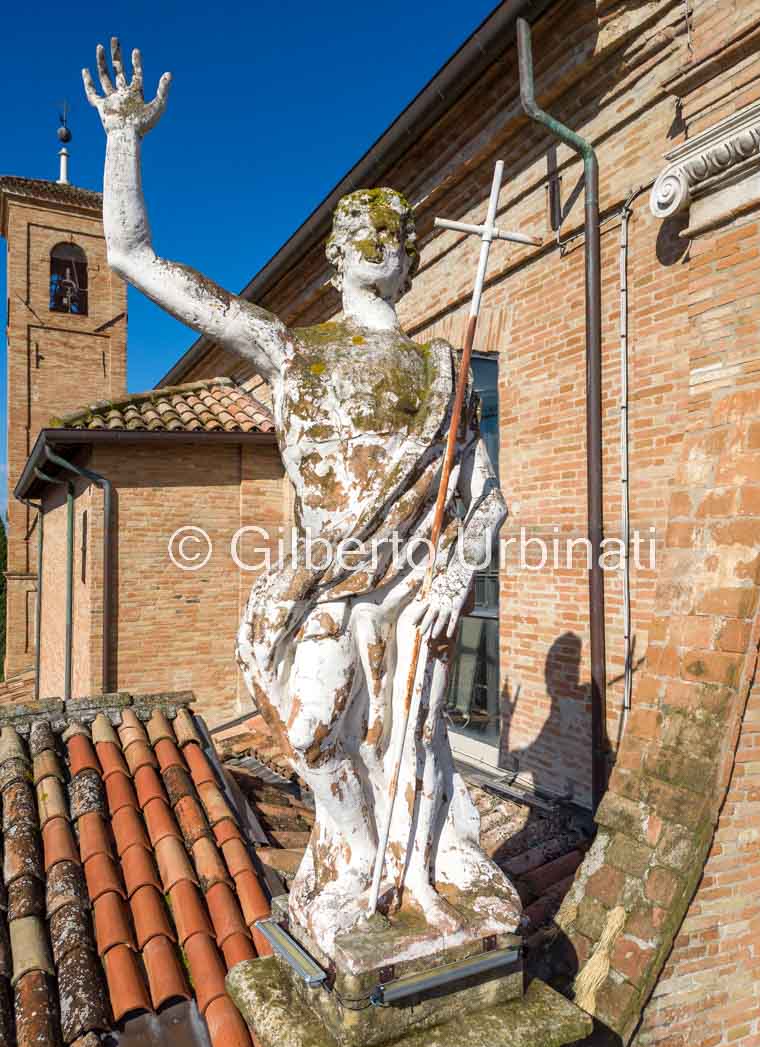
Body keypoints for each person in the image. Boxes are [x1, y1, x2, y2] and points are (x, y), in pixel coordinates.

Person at [84, 39, 521, 956]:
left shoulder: (443, 371)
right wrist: (122, 138)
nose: (379, 237)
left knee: (415, 745)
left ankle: (406, 877)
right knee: (317, 731)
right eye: (362, 226)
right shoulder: (293, 351)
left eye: (393, 229)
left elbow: (484, 497)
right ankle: (357, 863)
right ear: (334, 256)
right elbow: (130, 254)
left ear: (406, 260)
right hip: (319, 590)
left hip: (411, 595)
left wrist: (456, 576)